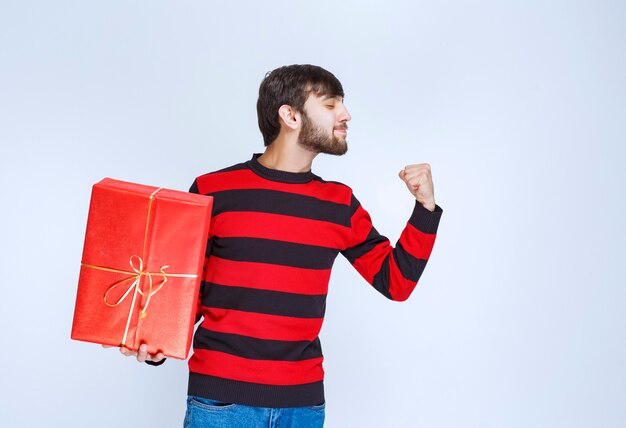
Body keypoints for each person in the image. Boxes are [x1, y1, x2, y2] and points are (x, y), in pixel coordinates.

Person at [112, 64, 442, 427]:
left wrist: (424, 209)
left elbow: (395, 282)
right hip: (220, 404)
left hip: (302, 409)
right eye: (331, 105)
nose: (346, 115)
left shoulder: (339, 204)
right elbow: (183, 291)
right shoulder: (213, 191)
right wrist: (154, 344)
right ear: (291, 116)